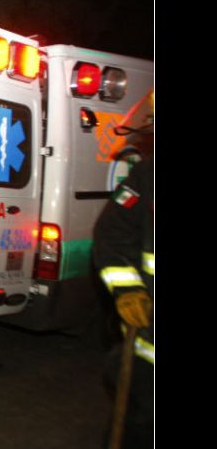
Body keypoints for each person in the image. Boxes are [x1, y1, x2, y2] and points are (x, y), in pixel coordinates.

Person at [93, 90, 154, 449]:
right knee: (138, 427)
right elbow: (111, 234)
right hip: (149, 345)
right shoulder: (147, 175)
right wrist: (128, 288)